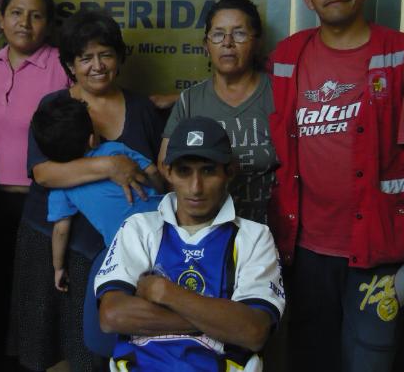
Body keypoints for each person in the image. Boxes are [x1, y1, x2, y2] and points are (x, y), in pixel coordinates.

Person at [268, 0, 404, 372]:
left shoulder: (400, 55)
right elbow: (244, 95)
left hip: (380, 243)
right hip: (305, 247)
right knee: (311, 356)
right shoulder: (288, 55)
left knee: (371, 356)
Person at [15, 9, 164, 372]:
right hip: (55, 237)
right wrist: (110, 166)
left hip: (123, 248)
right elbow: (44, 173)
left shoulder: (141, 108)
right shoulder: (55, 107)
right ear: (70, 65)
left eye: (105, 54)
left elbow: (160, 176)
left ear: (119, 58)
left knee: (109, 346)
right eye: (85, 58)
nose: (97, 66)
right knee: (52, 343)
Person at [95, 116, 285, 372]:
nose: (196, 188)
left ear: (229, 172)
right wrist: (218, 319)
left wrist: (166, 293)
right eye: (184, 171)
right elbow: (112, 316)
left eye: (208, 171)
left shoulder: (254, 237)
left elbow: (253, 331)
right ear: (168, 171)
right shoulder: (139, 228)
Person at [0, 0, 70, 371]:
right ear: (1, 20)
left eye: (35, 15)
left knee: (35, 296)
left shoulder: (62, 67)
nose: (24, 22)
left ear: (48, 24)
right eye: (16, 13)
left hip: (41, 200)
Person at [158, 0, 277, 224]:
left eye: (239, 34)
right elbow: (166, 166)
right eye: (218, 34)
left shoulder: (278, 94)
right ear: (206, 45)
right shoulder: (190, 101)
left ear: (256, 43)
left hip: (270, 228)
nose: (228, 43)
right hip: (208, 231)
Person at [31, 95, 164, 293]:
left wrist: (58, 267)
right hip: (162, 226)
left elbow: (61, 230)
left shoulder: (61, 184)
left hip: (123, 247)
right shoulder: (114, 151)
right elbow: (152, 172)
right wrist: (162, 192)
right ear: (92, 139)